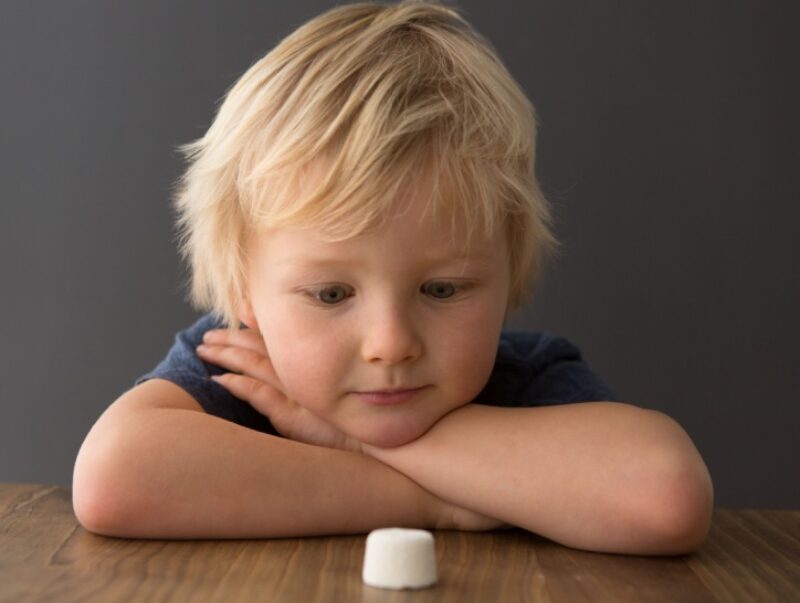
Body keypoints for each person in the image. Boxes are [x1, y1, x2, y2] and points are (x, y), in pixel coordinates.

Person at [72, 0, 713, 555]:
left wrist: (353, 441)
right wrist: (433, 505)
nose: (390, 343)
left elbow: (664, 496)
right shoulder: (240, 365)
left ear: (508, 275)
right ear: (245, 295)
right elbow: (112, 479)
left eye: (442, 289)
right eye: (330, 294)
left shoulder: (524, 377)